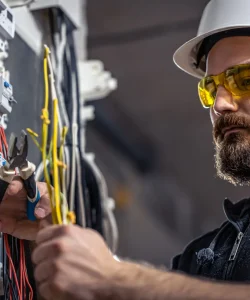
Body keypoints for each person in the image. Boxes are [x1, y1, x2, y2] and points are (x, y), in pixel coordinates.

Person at [4, 0, 250, 299]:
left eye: (243, 80)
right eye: (211, 89)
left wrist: (117, 278)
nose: (220, 104)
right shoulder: (204, 256)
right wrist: (52, 246)